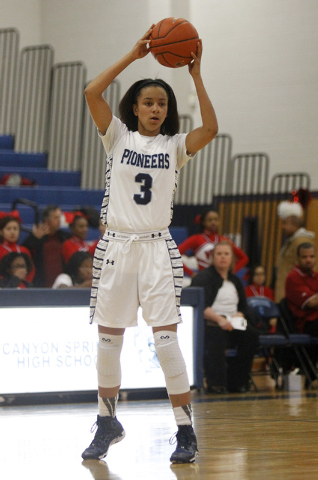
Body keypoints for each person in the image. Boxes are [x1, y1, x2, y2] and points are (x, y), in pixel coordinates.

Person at [81, 25, 218, 464]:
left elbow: (212, 128)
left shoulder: (176, 145)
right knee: (108, 343)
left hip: (158, 249)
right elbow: (91, 92)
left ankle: (185, 432)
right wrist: (134, 55)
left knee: (166, 343)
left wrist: (196, 75)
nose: (156, 108)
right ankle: (106, 422)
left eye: (162, 103)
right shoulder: (117, 137)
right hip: (118, 248)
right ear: (135, 108)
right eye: (148, 102)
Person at [191, 241, 259, 394]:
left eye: (226, 254)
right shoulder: (204, 278)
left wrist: (239, 315)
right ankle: (217, 384)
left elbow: (243, 306)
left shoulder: (235, 280)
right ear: (212, 257)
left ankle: (238, 382)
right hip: (212, 321)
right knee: (216, 337)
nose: (223, 257)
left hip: (233, 321)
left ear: (232, 258)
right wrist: (220, 320)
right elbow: (201, 305)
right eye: (219, 254)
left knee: (251, 336)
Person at [178, 209, 249, 278]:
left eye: (216, 220)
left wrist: (230, 273)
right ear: (203, 222)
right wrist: (191, 273)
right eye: (210, 220)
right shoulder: (196, 239)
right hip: (204, 279)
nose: (213, 222)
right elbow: (174, 254)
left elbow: (244, 258)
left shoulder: (224, 240)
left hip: (221, 279)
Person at [275, 201, 316, 302]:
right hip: (289, 293)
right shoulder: (292, 241)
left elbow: (312, 269)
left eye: (285, 223)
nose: (282, 227)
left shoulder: (301, 241)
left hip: (296, 296)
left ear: (295, 224)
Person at [23, 204, 71, 287]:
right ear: (46, 220)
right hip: (41, 284)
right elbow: (25, 252)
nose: (59, 220)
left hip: (61, 284)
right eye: (56, 218)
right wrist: (35, 238)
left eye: (60, 217)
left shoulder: (65, 237)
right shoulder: (36, 238)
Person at [0, 211, 35, 283]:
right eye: (8, 229)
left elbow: (31, 270)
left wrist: (26, 282)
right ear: (1, 232)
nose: (12, 232)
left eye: (15, 229)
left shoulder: (24, 250)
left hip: (24, 287)